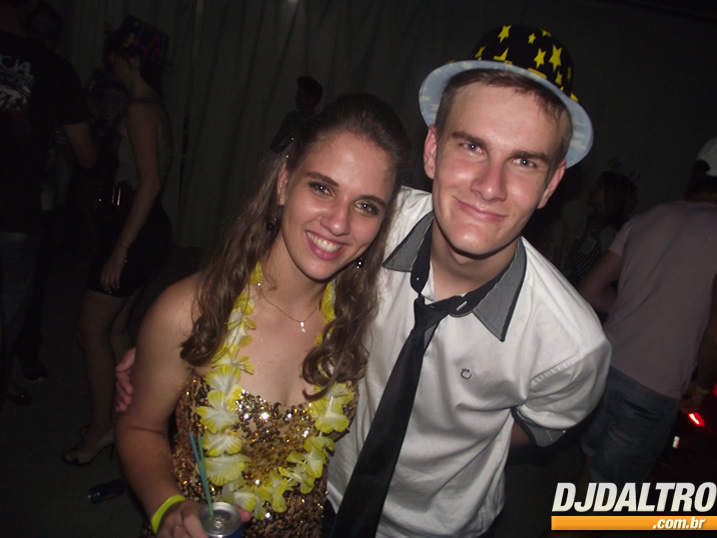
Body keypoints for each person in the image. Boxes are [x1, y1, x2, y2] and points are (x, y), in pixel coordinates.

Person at [118, 24, 611, 537]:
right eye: (471, 145)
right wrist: (166, 349)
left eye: (524, 161)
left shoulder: (572, 348)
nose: (490, 186)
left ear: (552, 182)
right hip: (325, 498)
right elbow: (275, 266)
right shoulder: (371, 224)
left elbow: (530, 431)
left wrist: (455, 440)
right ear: (433, 149)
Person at [115, 93, 410, 537]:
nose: (338, 223)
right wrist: (168, 509)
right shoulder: (191, 310)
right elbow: (138, 426)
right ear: (284, 183)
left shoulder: (362, 320)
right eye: (322, 188)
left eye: (366, 205)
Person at [62, 15, 172, 465]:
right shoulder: (151, 104)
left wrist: (119, 251)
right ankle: (129, 419)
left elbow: (150, 183)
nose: (109, 60)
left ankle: (100, 429)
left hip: (134, 229)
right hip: (143, 228)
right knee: (117, 329)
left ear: (132, 59)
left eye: (116, 53)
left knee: (90, 330)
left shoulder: (140, 109)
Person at [577, 137, 717, 487]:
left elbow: (590, 290)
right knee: (610, 498)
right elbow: (714, 335)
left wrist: (638, 310)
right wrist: (702, 388)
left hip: (604, 364)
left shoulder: (650, 217)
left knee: (589, 467)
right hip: (653, 388)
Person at [0, 0, 97, 408]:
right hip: (14, 212)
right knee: (9, 305)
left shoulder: (57, 70)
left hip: (20, 209)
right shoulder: (55, 70)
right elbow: (88, 155)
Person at [270, 75, 323, 153]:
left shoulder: (318, 122)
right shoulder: (291, 118)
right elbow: (274, 145)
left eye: (300, 95)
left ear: (311, 99)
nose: (296, 98)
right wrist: (285, 149)